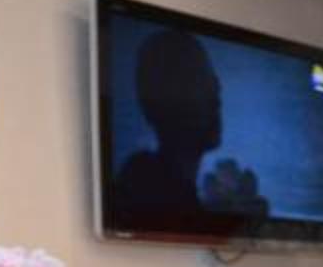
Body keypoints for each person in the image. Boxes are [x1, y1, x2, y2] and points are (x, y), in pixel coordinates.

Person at [109, 26, 268, 234]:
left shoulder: (174, 194)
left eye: (214, 85)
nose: (217, 98)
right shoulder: (145, 193)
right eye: (200, 84)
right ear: (159, 104)